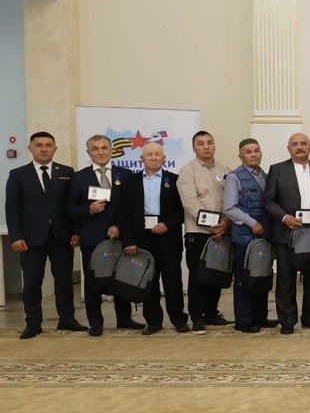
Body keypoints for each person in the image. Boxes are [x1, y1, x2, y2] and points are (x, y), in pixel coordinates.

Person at [5, 131, 83, 339]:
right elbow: (12, 209)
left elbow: (73, 204)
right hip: (30, 238)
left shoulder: (66, 172)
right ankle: (33, 322)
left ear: (55, 148)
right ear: (30, 148)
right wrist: (15, 236)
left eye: (48, 145)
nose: (44, 149)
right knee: (32, 282)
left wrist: (76, 231)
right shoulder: (18, 174)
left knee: (64, 280)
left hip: (62, 236)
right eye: (39, 145)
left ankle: (67, 319)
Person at [68, 135, 144, 336]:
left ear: (111, 150)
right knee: (93, 280)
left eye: (104, 148)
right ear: (88, 152)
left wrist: (118, 226)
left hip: (121, 236)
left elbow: (131, 207)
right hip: (91, 237)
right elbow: (70, 209)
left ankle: (124, 319)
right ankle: (96, 323)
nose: (100, 152)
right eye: (95, 148)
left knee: (122, 277)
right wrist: (89, 209)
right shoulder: (79, 177)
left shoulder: (126, 175)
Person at [114, 142, 188, 335]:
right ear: (142, 158)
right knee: (148, 281)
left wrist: (167, 224)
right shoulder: (130, 182)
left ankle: (179, 320)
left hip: (168, 237)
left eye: (157, 154)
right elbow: (124, 215)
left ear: (164, 158)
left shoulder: (175, 180)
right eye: (149, 154)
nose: (153, 158)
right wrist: (129, 241)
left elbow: (183, 210)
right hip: (141, 239)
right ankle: (153, 322)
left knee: (173, 281)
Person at [263, 133, 310, 334]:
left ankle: (309, 316)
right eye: (295, 144)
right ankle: (287, 320)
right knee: (286, 278)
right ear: (288, 148)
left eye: (303, 143)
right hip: (286, 232)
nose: (299, 147)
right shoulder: (277, 170)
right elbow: (268, 201)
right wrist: (284, 217)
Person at [177, 130, 232, 333]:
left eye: (209, 142)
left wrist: (226, 222)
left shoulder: (226, 170)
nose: (206, 146)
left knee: (217, 273)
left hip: (222, 230)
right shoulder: (187, 171)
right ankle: (197, 317)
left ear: (214, 145)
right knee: (198, 275)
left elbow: (232, 199)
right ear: (194, 148)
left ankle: (211, 313)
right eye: (200, 143)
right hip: (198, 231)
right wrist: (212, 224)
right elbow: (190, 202)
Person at [223, 138, 276, 333]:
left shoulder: (266, 176)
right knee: (245, 279)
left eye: (256, 150)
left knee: (261, 276)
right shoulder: (234, 177)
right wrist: (252, 223)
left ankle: (260, 317)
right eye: (248, 151)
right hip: (244, 238)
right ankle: (244, 321)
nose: (253, 154)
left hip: (264, 238)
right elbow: (229, 208)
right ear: (240, 156)